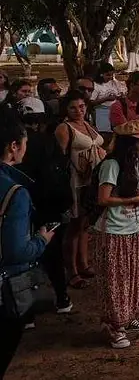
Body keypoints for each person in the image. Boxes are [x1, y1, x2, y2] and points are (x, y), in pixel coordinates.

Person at [92, 119, 139, 348]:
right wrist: (136, 199)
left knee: (132, 277)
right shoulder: (111, 165)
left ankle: (129, 317)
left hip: (131, 229)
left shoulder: (131, 165)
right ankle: (114, 326)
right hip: (112, 231)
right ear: (130, 144)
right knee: (115, 281)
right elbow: (103, 198)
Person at [0, 117, 55, 374]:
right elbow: (16, 251)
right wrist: (42, 239)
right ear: (13, 146)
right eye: (24, 143)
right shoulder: (15, 192)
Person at [16, 99, 73, 315]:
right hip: (47, 205)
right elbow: (59, 175)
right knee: (52, 253)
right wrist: (64, 204)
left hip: (22, 205)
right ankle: (61, 297)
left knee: (25, 255)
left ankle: (27, 309)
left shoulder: (15, 141)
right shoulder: (47, 142)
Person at [54, 90, 105, 288]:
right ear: (66, 109)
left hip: (92, 182)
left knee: (85, 225)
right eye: (73, 107)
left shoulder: (87, 124)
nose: (78, 110)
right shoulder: (64, 128)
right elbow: (60, 159)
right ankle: (71, 270)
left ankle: (83, 263)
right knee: (74, 227)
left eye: (82, 106)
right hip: (76, 182)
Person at [91, 63, 126, 139]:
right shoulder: (96, 85)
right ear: (101, 74)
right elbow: (91, 102)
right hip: (101, 110)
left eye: (111, 75)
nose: (110, 77)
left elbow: (119, 94)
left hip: (115, 109)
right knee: (106, 134)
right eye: (107, 75)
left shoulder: (114, 82)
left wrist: (120, 97)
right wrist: (106, 99)